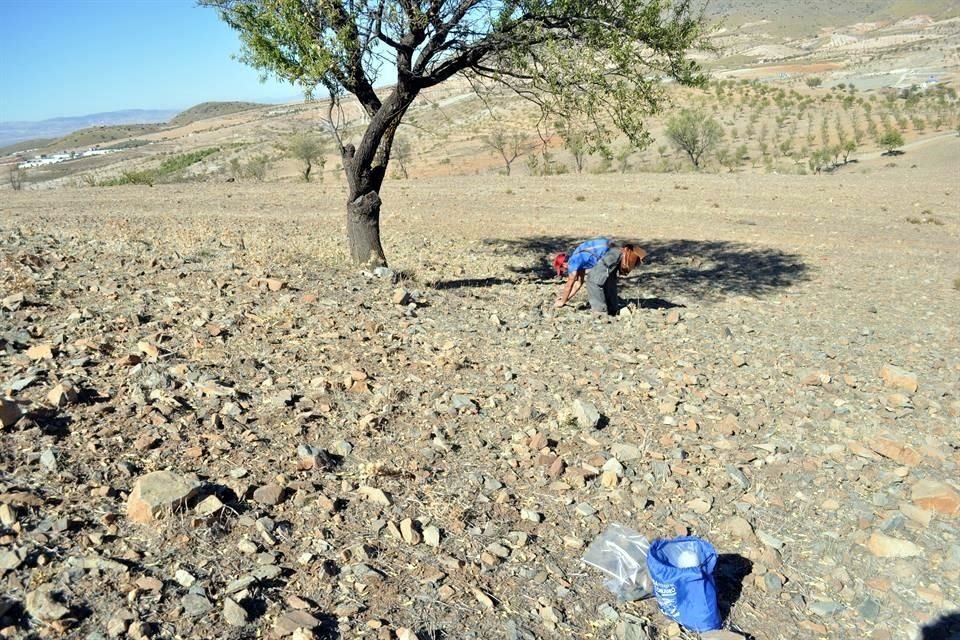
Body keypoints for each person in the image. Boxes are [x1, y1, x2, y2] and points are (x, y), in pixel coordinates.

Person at [554, 237, 646, 315]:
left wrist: (562, 302)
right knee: (608, 281)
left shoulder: (572, 261)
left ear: (564, 264)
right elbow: (578, 283)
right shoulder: (579, 257)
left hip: (611, 252)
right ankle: (613, 309)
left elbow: (569, 284)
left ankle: (600, 313)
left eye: (563, 269)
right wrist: (565, 299)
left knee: (593, 281)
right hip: (616, 248)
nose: (566, 270)